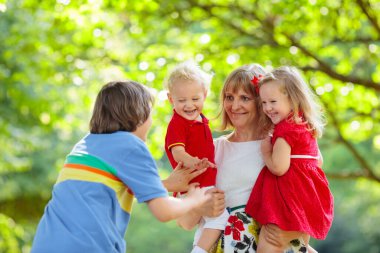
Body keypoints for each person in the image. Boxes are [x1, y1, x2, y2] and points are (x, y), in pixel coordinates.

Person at [31, 80, 212, 253]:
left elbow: (104, 188)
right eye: (150, 113)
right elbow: (163, 211)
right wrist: (194, 199)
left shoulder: (86, 144)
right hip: (88, 247)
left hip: (45, 244)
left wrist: (167, 184)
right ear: (138, 115)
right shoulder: (131, 145)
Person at [177, 64, 318, 253]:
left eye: (245, 98)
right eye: (229, 97)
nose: (234, 106)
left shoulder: (282, 147)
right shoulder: (210, 150)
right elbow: (184, 222)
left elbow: (310, 200)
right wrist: (200, 209)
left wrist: (292, 235)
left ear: (263, 102)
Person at [245, 66, 334, 252]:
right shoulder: (306, 125)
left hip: (287, 201)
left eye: (273, 102)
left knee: (269, 244)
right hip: (307, 198)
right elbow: (318, 161)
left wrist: (266, 152)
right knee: (299, 245)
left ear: (292, 100)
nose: (268, 108)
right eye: (264, 102)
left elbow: (279, 167)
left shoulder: (285, 130)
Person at [164, 61, 230, 253]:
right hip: (194, 182)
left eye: (195, 98)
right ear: (171, 99)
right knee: (220, 217)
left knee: (210, 219)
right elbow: (177, 152)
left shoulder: (202, 121)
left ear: (205, 95)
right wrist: (194, 161)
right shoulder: (178, 124)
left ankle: (199, 247)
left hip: (204, 180)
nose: (189, 105)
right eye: (182, 100)